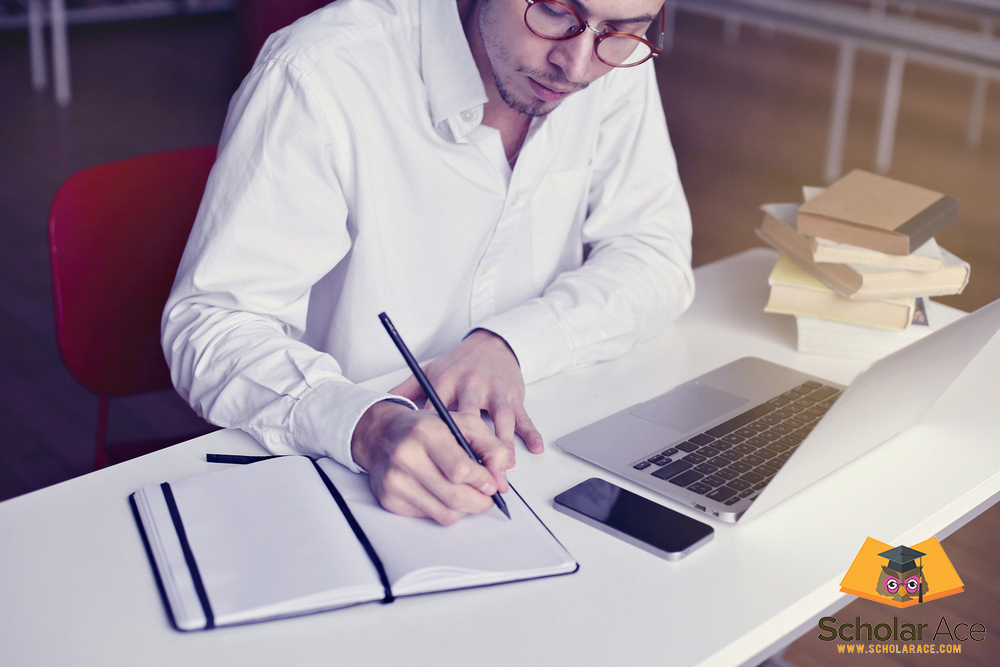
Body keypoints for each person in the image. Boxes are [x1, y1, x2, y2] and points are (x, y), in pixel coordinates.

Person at [162, 0, 694, 525]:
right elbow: (210, 324)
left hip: (537, 450)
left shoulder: (613, 61)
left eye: (625, 29)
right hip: (337, 477)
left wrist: (507, 344)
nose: (576, 66)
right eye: (555, 11)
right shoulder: (320, 72)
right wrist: (367, 426)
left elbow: (654, 251)